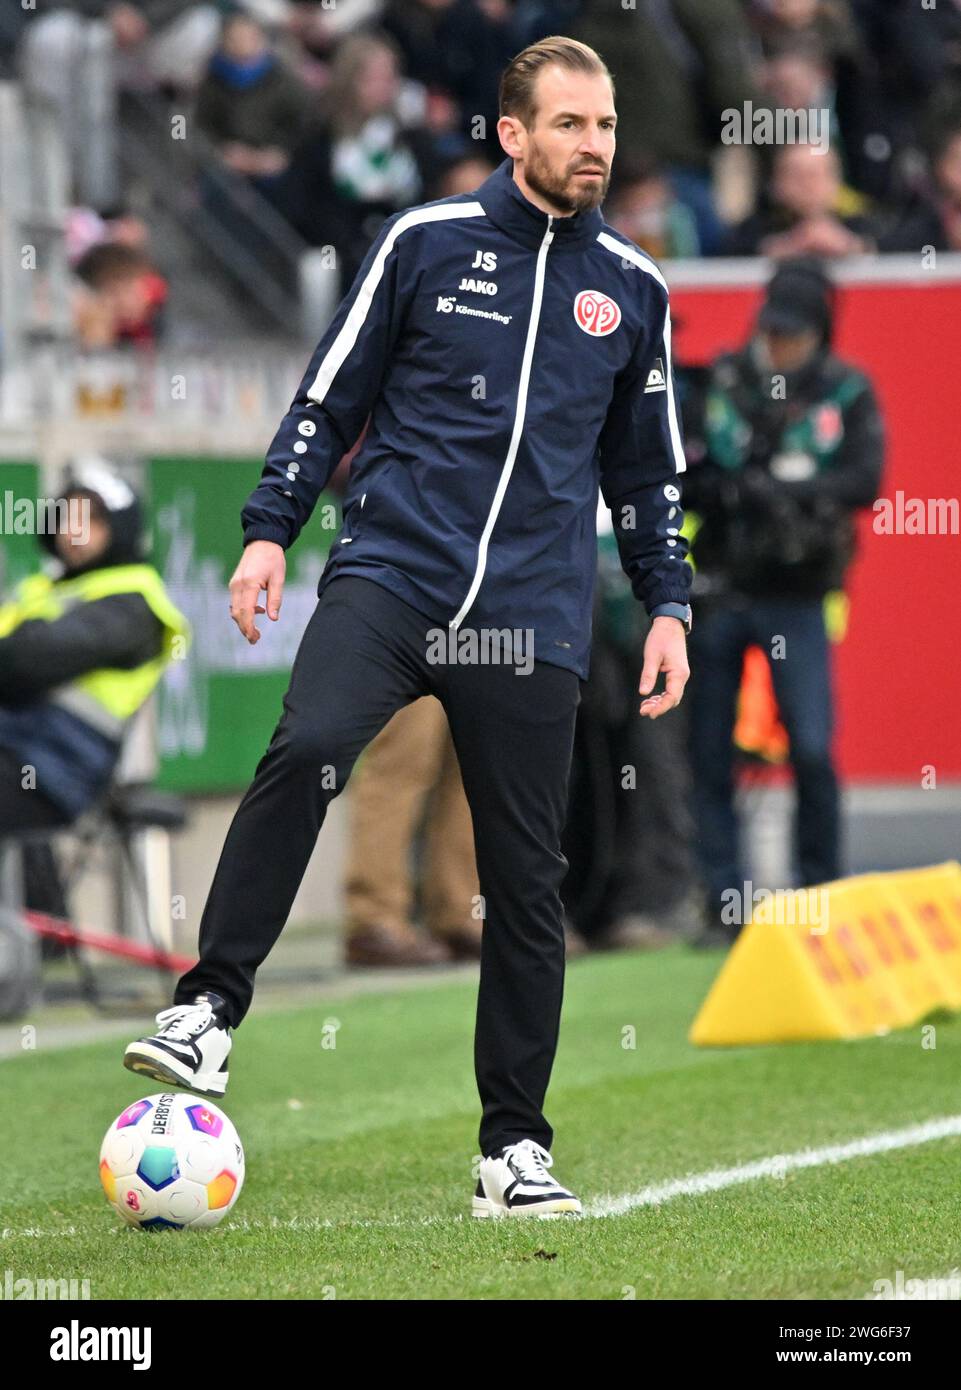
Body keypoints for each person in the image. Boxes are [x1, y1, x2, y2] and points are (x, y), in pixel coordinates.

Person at [124, 35, 693, 1219]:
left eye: (604, 126)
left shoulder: (634, 290)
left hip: (533, 614)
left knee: (525, 881)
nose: (595, 145)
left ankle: (512, 1150)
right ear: (512, 132)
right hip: (393, 575)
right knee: (305, 747)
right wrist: (271, 529)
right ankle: (208, 1010)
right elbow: (327, 395)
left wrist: (669, 603)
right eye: (572, 124)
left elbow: (648, 474)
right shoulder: (422, 243)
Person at [682, 259, 884, 948]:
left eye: (792, 334)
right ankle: (722, 900)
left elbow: (865, 481)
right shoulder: (722, 382)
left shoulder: (844, 391)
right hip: (721, 585)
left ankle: (817, 888)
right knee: (707, 749)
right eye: (771, 331)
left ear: (818, 334)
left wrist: (790, 493)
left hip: (796, 594)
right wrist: (729, 489)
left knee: (811, 747)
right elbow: (687, 468)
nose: (779, 345)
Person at [0, 458, 189, 839]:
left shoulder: (133, 602)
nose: (72, 531)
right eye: (66, 517)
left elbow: (22, 662)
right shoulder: (45, 587)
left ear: (118, 528)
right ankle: (34, 900)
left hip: (56, 770)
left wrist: (19, 646)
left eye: (89, 521)